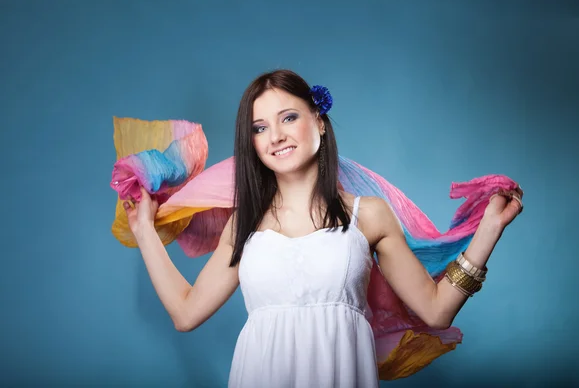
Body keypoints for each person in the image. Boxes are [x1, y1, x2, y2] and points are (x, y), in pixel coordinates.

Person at [121, 69, 523, 387]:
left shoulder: (370, 215)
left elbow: (436, 311)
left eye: (288, 117)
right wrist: (144, 232)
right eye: (260, 128)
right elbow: (186, 313)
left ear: (320, 121)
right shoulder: (245, 226)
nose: (275, 136)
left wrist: (489, 230)